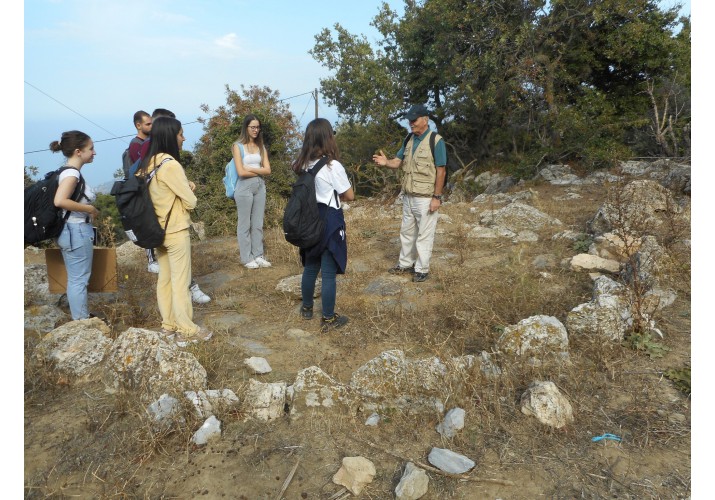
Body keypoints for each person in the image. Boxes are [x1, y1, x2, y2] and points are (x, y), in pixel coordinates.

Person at [136, 117, 213, 347]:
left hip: (157, 231)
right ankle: (187, 330)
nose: (183, 137)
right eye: (181, 134)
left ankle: (168, 326)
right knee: (180, 281)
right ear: (171, 136)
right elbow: (191, 202)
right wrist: (189, 189)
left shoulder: (149, 163)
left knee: (165, 280)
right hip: (176, 229)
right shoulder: (170, 165)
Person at [372, 104, 447, 283]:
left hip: (426, 198)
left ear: (425, 119)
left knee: (424, 235)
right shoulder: (409, 139)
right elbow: (398, 162)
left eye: (414, 120)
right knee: (406, 232)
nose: (411, 123)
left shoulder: (436, 141)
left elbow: (441, 171)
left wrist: (436, 198)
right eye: (409, 120)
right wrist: (386, 162)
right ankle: (405, 264)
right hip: (408, 196)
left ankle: (421, 269)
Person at [293, 118, 354, 330]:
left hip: (309, 220)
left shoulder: (302, 164)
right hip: (329, 219)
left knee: (310, 268)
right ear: (327, 138)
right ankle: (328, 318)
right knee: (328, 273)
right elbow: (349, 195)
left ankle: (307, 308)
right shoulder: (332, 165)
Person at [50, 130, 100, 320]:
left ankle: (81, 317)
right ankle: (81, 321)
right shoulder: (72, 174)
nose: (94, 152)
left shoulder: (65, 171)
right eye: (91, 148)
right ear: (79, 151)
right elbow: (60, 201)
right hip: (76, 230)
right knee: (79, 280)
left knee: (77, 279)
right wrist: (90, 209)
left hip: (70, 230)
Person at [231, 114, 272, 269]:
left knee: (257, 223)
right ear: (246, 128)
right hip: (244, 188)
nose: (256, 130)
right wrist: (259, 170)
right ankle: (247, 258)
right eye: (252, 127)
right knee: (244, 224)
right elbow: (241, 173)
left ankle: (258, 255)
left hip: (260, 186)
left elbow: (268, 170)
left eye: (257, 127)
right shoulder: (237, 146)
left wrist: (250, 168)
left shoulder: (261, 147)